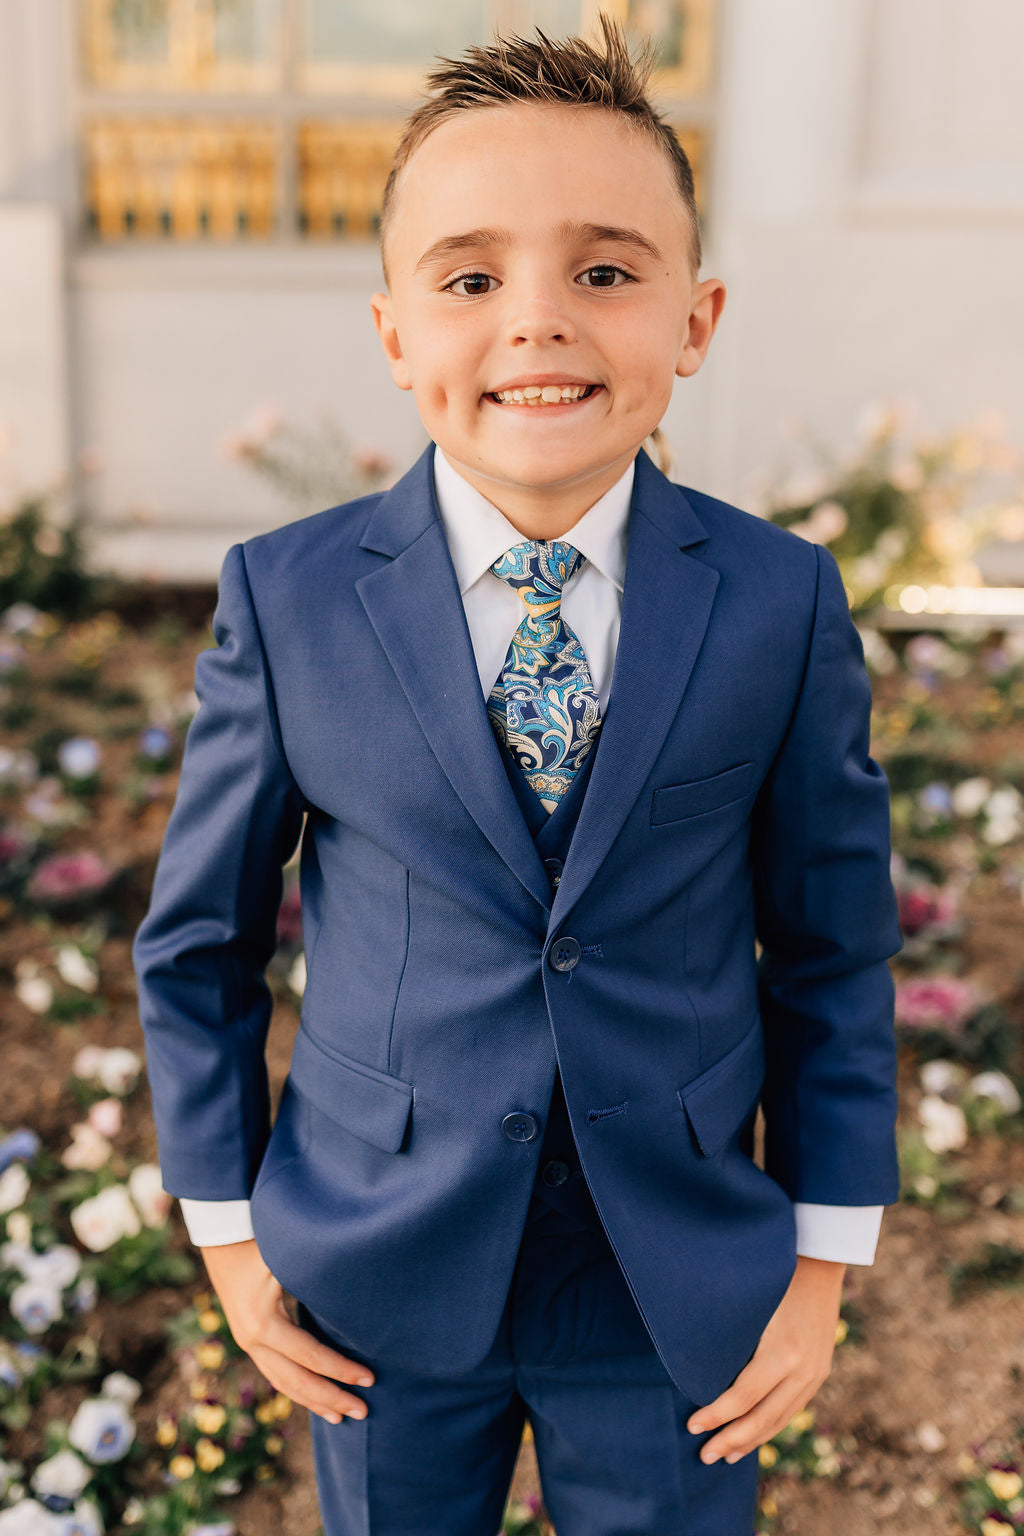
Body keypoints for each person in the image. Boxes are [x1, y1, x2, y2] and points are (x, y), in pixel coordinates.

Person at [132, 18, 903, 1535]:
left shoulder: (778, 603)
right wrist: (230, 1240)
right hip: (374, 1268)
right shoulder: (289, 603)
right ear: (394, 334)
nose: (538, 323)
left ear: (697, 318)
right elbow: (200, 944)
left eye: (605, 272)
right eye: (472, 278)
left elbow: (833, 949)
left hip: (672, 1277)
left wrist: (819, 1273)